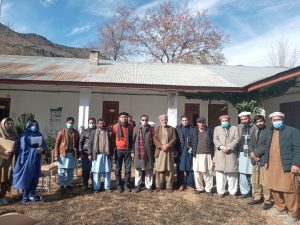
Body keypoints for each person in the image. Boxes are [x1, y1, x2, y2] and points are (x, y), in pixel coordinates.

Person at [265, 112, 300, 224]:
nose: (276, 122)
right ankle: (280, 208)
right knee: (274, 187)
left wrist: (296, 163)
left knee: (289, 189)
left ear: (283, 119)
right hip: (272, 165)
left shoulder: (292, 131)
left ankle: (293, 213)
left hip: (286, 165)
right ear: (271, 121)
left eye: (278, 119)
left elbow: (298, 148)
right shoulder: (269, 131)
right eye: (274, 120)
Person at [13, 120, 46, 204]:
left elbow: (43, 144)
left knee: (35, 177)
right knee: (27, 177)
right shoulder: (24, 135)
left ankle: (32, 194)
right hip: (26, 161)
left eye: (36, 125)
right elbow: (23, 149)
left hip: (36, 160)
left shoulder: (39, 134)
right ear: (28, 126)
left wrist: (42, 148)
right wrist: (34, 151)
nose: (34, 126)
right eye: (32, 125)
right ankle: (25, 196)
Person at [248, 115, 272, 210]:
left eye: (261, 121)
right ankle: (257, 197)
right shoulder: (254, 130)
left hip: (263, 159)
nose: (259, 123)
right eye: (257, 122)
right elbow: (250, 143)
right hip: (255, 159)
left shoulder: (269, 131)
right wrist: (252, 153)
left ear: (264, 121)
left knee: (265, 181)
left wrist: (257, 154)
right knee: (255, 180)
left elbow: (267, 145)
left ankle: (268, 200)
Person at [213, 115, 240, 198]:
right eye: (223, 121)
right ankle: (221, 191)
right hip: (220, 153)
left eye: (226, 120)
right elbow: (215, 139)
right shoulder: (217, 128)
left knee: (232, 174)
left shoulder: (234, 128)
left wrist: (229, 147)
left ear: (229, 120)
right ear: (220, 121)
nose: (225, 122)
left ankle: (232, 192)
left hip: (231, 153)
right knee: (220, 174)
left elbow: (237, 139)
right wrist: (221, 147)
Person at [54, 117, 80, 194]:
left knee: (70, 170)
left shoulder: (76, 132)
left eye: (72, 123)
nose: (70, 124)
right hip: (63, 154)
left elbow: (78, 144)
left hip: (71, 154)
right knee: (61, 171)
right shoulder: (61, 132)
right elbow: (57, 144)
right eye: (69, 123)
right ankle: (62, 185)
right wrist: (56, 155)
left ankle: (68, 184)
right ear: (66, 123)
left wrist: (78, 154)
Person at [88, 119, 114, 192]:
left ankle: (107, 187)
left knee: (107, 171)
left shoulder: (108, 132)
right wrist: (90, 154)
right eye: (100, 124)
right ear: (97, 124)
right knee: (96, 172)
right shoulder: (93, 132)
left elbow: (112, 144)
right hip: (96, 155)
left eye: (103, 123)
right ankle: (96, 187)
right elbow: (89, 144)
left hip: (106, 155)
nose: (101, 125)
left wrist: (111, 154)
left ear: (105, 124)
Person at [190, 116, 214, 196]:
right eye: (200, 122)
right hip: (196, 155)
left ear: (205, 123)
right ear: (197, 123)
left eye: (203, 122)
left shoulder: (210, 131)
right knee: (197, 172)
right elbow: (189, 141)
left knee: (207, 172)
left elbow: (213, 143)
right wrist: (191, 149)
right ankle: (199, 188)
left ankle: (208, 189)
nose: (201, 124)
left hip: (207, 154)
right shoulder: (193, 131)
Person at [153, 114, 176, 192]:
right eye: (162, 120)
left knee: (169, 169)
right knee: (159, 169)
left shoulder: (172, 129)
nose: (164, 121)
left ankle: (169, 186)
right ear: (160, 121)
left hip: (169, 151)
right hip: (160, 151)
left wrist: (168, 145)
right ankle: (159, 186)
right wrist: (161, 146)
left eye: (165, 119)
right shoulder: (156, 128)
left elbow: (174, 138)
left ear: (167, 120)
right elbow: (154, 138)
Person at [112, 112, 134, 192]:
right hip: (118, 150)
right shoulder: (115, 127)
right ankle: (118, 185)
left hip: (128, 150)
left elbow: (132, 140)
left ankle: (126, 185)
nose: (123, 118)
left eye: (125, 117)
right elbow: (112, 139)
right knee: (118, 169)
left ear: (127, 118)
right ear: (119, 118)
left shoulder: (131, 127)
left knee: (128, 169)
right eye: (122, 117)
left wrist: (132, 151)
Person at [132, 114, 155, 193]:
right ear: (140, 120)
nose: (144, 121)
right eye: (143, 120)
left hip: (148, 152)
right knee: (138, 170)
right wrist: (132, 152)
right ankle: (137, 185)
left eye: (146, 120)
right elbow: (133, 141)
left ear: (148, 120)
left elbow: (153, 141)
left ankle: (149, 186)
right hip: (138, 152)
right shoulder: (135, 129)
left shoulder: (151, 129)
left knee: (148, 169)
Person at [0, 118, 18, 205]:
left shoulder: (14, 135)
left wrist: (12, 150)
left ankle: (2, 196)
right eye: (8, 124)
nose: (10, 126)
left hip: (8, 161)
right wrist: (3, 152)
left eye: (11, 124)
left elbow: (17, 147)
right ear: (3, 124)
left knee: (5, 178)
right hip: (0, 159)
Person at [238, 111, 254, 199]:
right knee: (242, 172)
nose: (243, 121)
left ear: (249, 118)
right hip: (241, 152)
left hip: (252, 152)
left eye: (245, 119)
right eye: (242, 119)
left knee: (251, 172)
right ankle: (245, 191)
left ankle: (254, 191)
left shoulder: (254, 126)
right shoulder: (239, 127)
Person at [175, 116, 194, 191]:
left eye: (186, 120)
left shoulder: (192, 128)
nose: (185, 121)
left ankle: (189, 184)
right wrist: (176, 150)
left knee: (190, 168)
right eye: (183, 120)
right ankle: (181, 184)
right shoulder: (177, 129)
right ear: (181, 121)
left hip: (189, 150)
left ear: (188, 121)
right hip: (181, 151)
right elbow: (175, 140)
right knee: (180, 168)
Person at [79, 117, 96, 190]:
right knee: (86, 169)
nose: (91, 124)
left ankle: (94, 184)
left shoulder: (97, 131)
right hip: (85, 153)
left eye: (93, 122)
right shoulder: (85, 131)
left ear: (95, 123)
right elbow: (80, 142)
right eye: (90, 122)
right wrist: (81, 153)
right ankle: (85, 184)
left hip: (95, 153)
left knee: (94, 169)